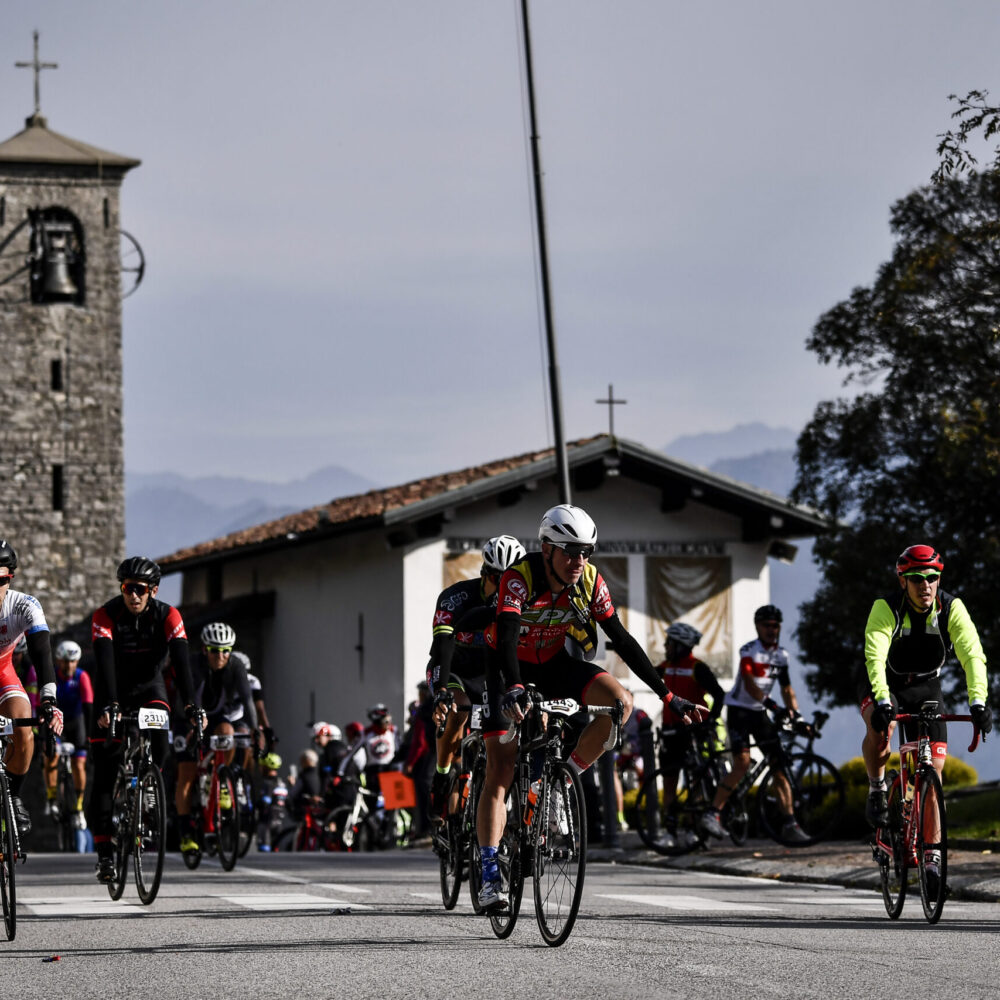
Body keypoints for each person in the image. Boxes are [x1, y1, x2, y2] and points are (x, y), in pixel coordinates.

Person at [476, 504, 706, 911]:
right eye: (570, 552)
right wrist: (514, 687)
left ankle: (559, 784)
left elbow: (623, 638)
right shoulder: (519, 577)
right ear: (548, 549)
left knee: (621, 704)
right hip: (505, 669)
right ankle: (490, 873)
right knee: (501, 768)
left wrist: (669, 696)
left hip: (553, 664)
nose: (578, 561)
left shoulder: (590, 581)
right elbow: (507, 636)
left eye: (586, 552)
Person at [861, 545, 991, 894]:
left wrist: (978, 701)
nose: (926, 585)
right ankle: (877, 788)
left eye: (932, 578)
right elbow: (875, 655)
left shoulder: (951, 608)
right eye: (917, 579)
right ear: (902, 580)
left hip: (926, 686)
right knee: (883, 727)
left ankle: (932, 861)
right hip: (885, 681)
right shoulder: (886, 607)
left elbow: (972, 654)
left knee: (934, 770)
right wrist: (882, 700)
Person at [87, 556, 201, 883]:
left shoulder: (169, 615)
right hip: (112, 689)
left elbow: (181, 663)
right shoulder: (105, 615)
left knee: (161, 738)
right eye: (127, 589)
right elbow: (104, 663)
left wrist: (192, 706)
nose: (133, 595)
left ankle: (150, 784)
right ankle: (105, 854)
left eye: (139, 589)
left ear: (153, 590)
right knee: (105, 771)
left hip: (150, 687)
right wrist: (110, 705)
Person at [428, 534, 526, 823]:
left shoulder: (518, 601)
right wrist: (441, 689)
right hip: (454, 668)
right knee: (457, 710)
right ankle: (442, 774)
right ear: (485, 574)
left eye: (511, 580)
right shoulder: (456, 597)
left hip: (489, 673)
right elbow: (442, 646)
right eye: (498, 579)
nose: (504, 587)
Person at [699, 605, 810, 844]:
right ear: (758, 627)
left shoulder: (781, 656)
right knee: (742, 763)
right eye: (767, 625)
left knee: (779, 767)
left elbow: (787, 688)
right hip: (739, 711)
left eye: (775, 626)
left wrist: (797, 716)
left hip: (759, 714)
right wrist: (774, 706)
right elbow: (750, 684)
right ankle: (713, 813)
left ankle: (790, 824)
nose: (771, 630)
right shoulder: (749, 650)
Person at [174, 622, 258, 856]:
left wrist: (256, 729)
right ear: (205, 650)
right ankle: (186, 832)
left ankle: (221, 778)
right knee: (187, 773)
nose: (220, 656)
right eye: (214, 650)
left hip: (216, 717)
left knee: (228, 731)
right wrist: (192, 725)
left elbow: (248, 699)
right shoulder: (193, 664)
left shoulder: (236, 665)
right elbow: (185, 698)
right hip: (187, 717)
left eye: (225, 650)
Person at [0, 539, 63, 838]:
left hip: (3, 670)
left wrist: (49, 701)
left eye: (0, 581)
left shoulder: (24, 606)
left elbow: (42, 654)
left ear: (10, 578)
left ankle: (13, 797)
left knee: (24, 728)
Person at [654, 622, 725, 848]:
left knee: (696, 782)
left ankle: (694, 830)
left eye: (669, 642)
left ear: (680, 645)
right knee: (669, 783)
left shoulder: (697, 667)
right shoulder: (665, 666)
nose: (665, 646)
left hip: (693, 732)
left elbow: (719, 694)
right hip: (670, 732)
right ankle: (670, 832)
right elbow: (647, 674)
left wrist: (710, 721)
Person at [44, 639, 93, 828]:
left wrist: (88, 737)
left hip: (76, 723)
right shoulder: (53, 677)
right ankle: (52, 798)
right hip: (56, 722)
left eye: (73, 661)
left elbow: (88, 707)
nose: (69, 665)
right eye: (65, 661)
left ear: (77, 661)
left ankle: (79, 808)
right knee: (51, 756)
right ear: (58, 661)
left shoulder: (82, 677)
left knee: (79, 765)